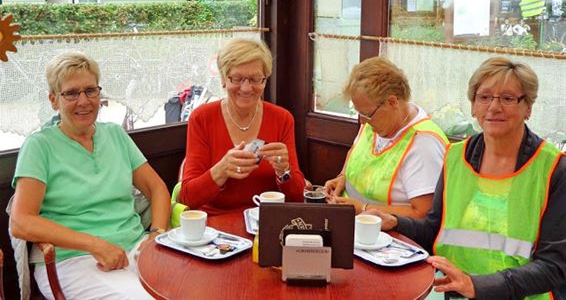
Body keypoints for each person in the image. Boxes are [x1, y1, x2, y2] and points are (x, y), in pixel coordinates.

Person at [370, 57, 566, 299]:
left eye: (507, 98)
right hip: (450, 289)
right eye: (484, 97)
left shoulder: (555, 168)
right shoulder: (455, 157)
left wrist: (478, 286)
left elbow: (555, 265)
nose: (494, 107)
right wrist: (395, 222)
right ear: (473, 106)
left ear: (528, 108)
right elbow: (435, 229)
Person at [9, 51, 171, 299]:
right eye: (72, 93)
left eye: (90, 90)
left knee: (193, 284)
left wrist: (156, 234)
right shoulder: (40, 146)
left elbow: (157, 189)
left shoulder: (115, 135)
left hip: (135, 247)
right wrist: (94, 244)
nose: (83, 101)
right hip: (73, 260)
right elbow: (21, 221)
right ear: (54, 100)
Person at [179, 38, 305, 214]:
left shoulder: (282, 119)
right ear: (223, 79)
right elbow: (187, 198)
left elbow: (299, 198)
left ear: (265, 80)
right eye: (237, 78)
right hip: (216, 230)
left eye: (255, 79)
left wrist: (284, 171)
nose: (246, 88)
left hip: (267, 224)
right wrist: (222, 169)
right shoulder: (202, 118)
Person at [324, 57, 448, 218]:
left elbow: (424, 213)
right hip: (353, 224)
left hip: (390, 236)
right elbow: (356, 153)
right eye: (359, 113)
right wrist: (342, 177)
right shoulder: (376, 122)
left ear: (392, 102)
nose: (362, 121)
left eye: (367, 114)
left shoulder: (423, 143)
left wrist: (363, 208)